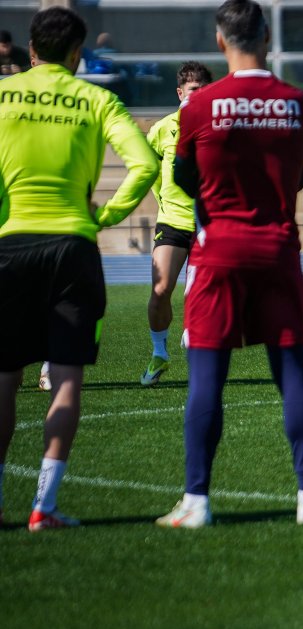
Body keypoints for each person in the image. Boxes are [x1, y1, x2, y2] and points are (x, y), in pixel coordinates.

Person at [156, 0, 303, 528]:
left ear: (219, 41)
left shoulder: (199, 105)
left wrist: (215, 204)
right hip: (278, 244)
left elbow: (183, 174)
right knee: (293, 373)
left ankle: (198, 501)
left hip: (218, 248)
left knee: (207, 376)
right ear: (267, 38)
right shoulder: (298, 102)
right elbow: (299, 172)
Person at [0, 6, 158, 530]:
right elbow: (145, 164)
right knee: (66, 379)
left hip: (11, 245)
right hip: (73, 244)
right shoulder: (97, 98)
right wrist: (105, 215)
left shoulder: (3, 95)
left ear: (31, 47)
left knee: (4, 377)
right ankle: (44, 505)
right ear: (76, 53)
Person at [141, 61, 214, 386]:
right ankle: (160, 352)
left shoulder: (219, 126)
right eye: (192, 90)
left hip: (207, 224)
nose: (196, 95)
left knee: (199, 293)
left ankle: (196, 339)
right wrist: (164, 202)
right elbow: (152, 172)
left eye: (202, 89)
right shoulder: (162, 128)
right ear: (180, 92)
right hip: (172, 220)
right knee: (161, 289)